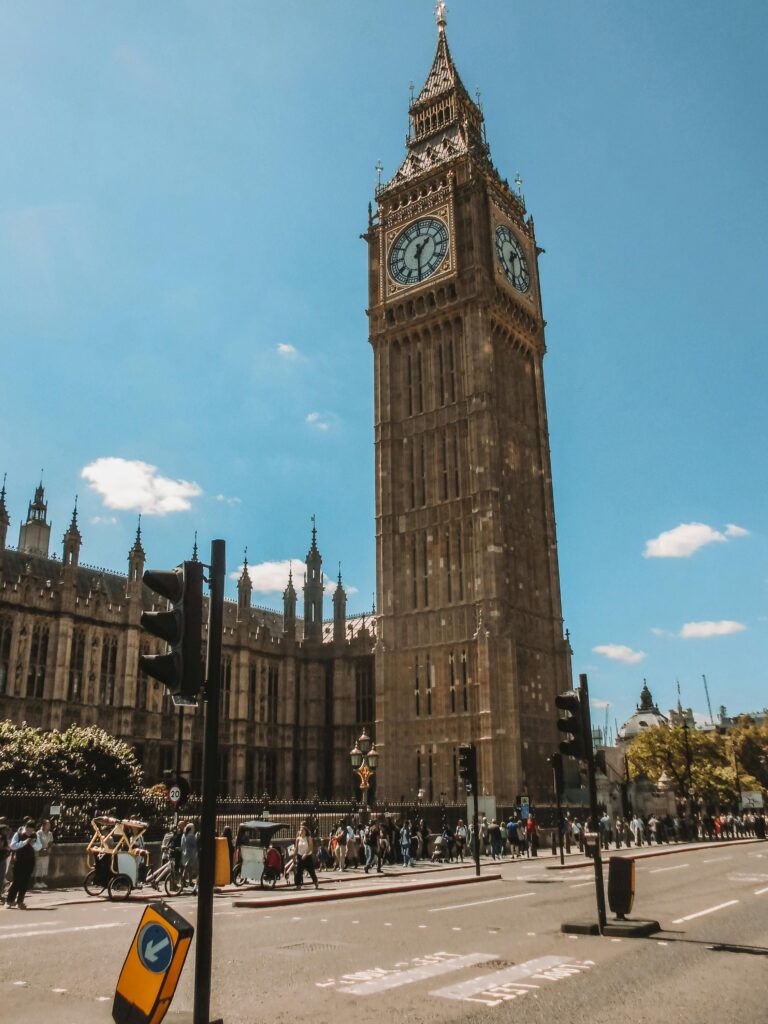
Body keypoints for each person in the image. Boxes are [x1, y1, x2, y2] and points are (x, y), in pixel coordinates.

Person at [7, 823, 41, 909]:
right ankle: (10, 901)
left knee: (25, 881)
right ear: (26, 827)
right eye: (28, 829)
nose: (30, 832)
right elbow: (13, 846)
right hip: (19, 860)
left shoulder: (35, 835)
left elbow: (39, 847)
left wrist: (33, 844)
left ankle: (20, 901)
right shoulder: (18, 834)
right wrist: (24, 842)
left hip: (29, 861)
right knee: (16, 881)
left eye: (32, 830)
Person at [294, 823, 319, 889]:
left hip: (307, 856)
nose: (301, 831)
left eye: (303, 830)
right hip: (300, 856)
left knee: (311, 871)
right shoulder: (298, 839)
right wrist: (294, 856)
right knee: (298, 871)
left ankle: (315, 882)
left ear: (305, 831)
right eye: (300, 830)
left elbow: (310, 847)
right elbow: (296, 848)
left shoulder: (308, 837)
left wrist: (305, 854)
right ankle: (298, 885)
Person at [180, 822, 198, 887]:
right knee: (187, 868)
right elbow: (195, 844)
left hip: (184, 853)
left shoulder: (184, 835)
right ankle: (183, 881)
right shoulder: (191, 835)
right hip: (190, 853)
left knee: (189, 868)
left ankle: (189, 881)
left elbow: (182, 844)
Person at [0, 818, 10, 902]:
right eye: (5, 830)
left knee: (2, 876)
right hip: (1, 859)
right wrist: (6, 848)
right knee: (1, 876)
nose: (6, 831)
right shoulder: (2, 838)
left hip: (3, 858)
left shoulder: (4, 838)